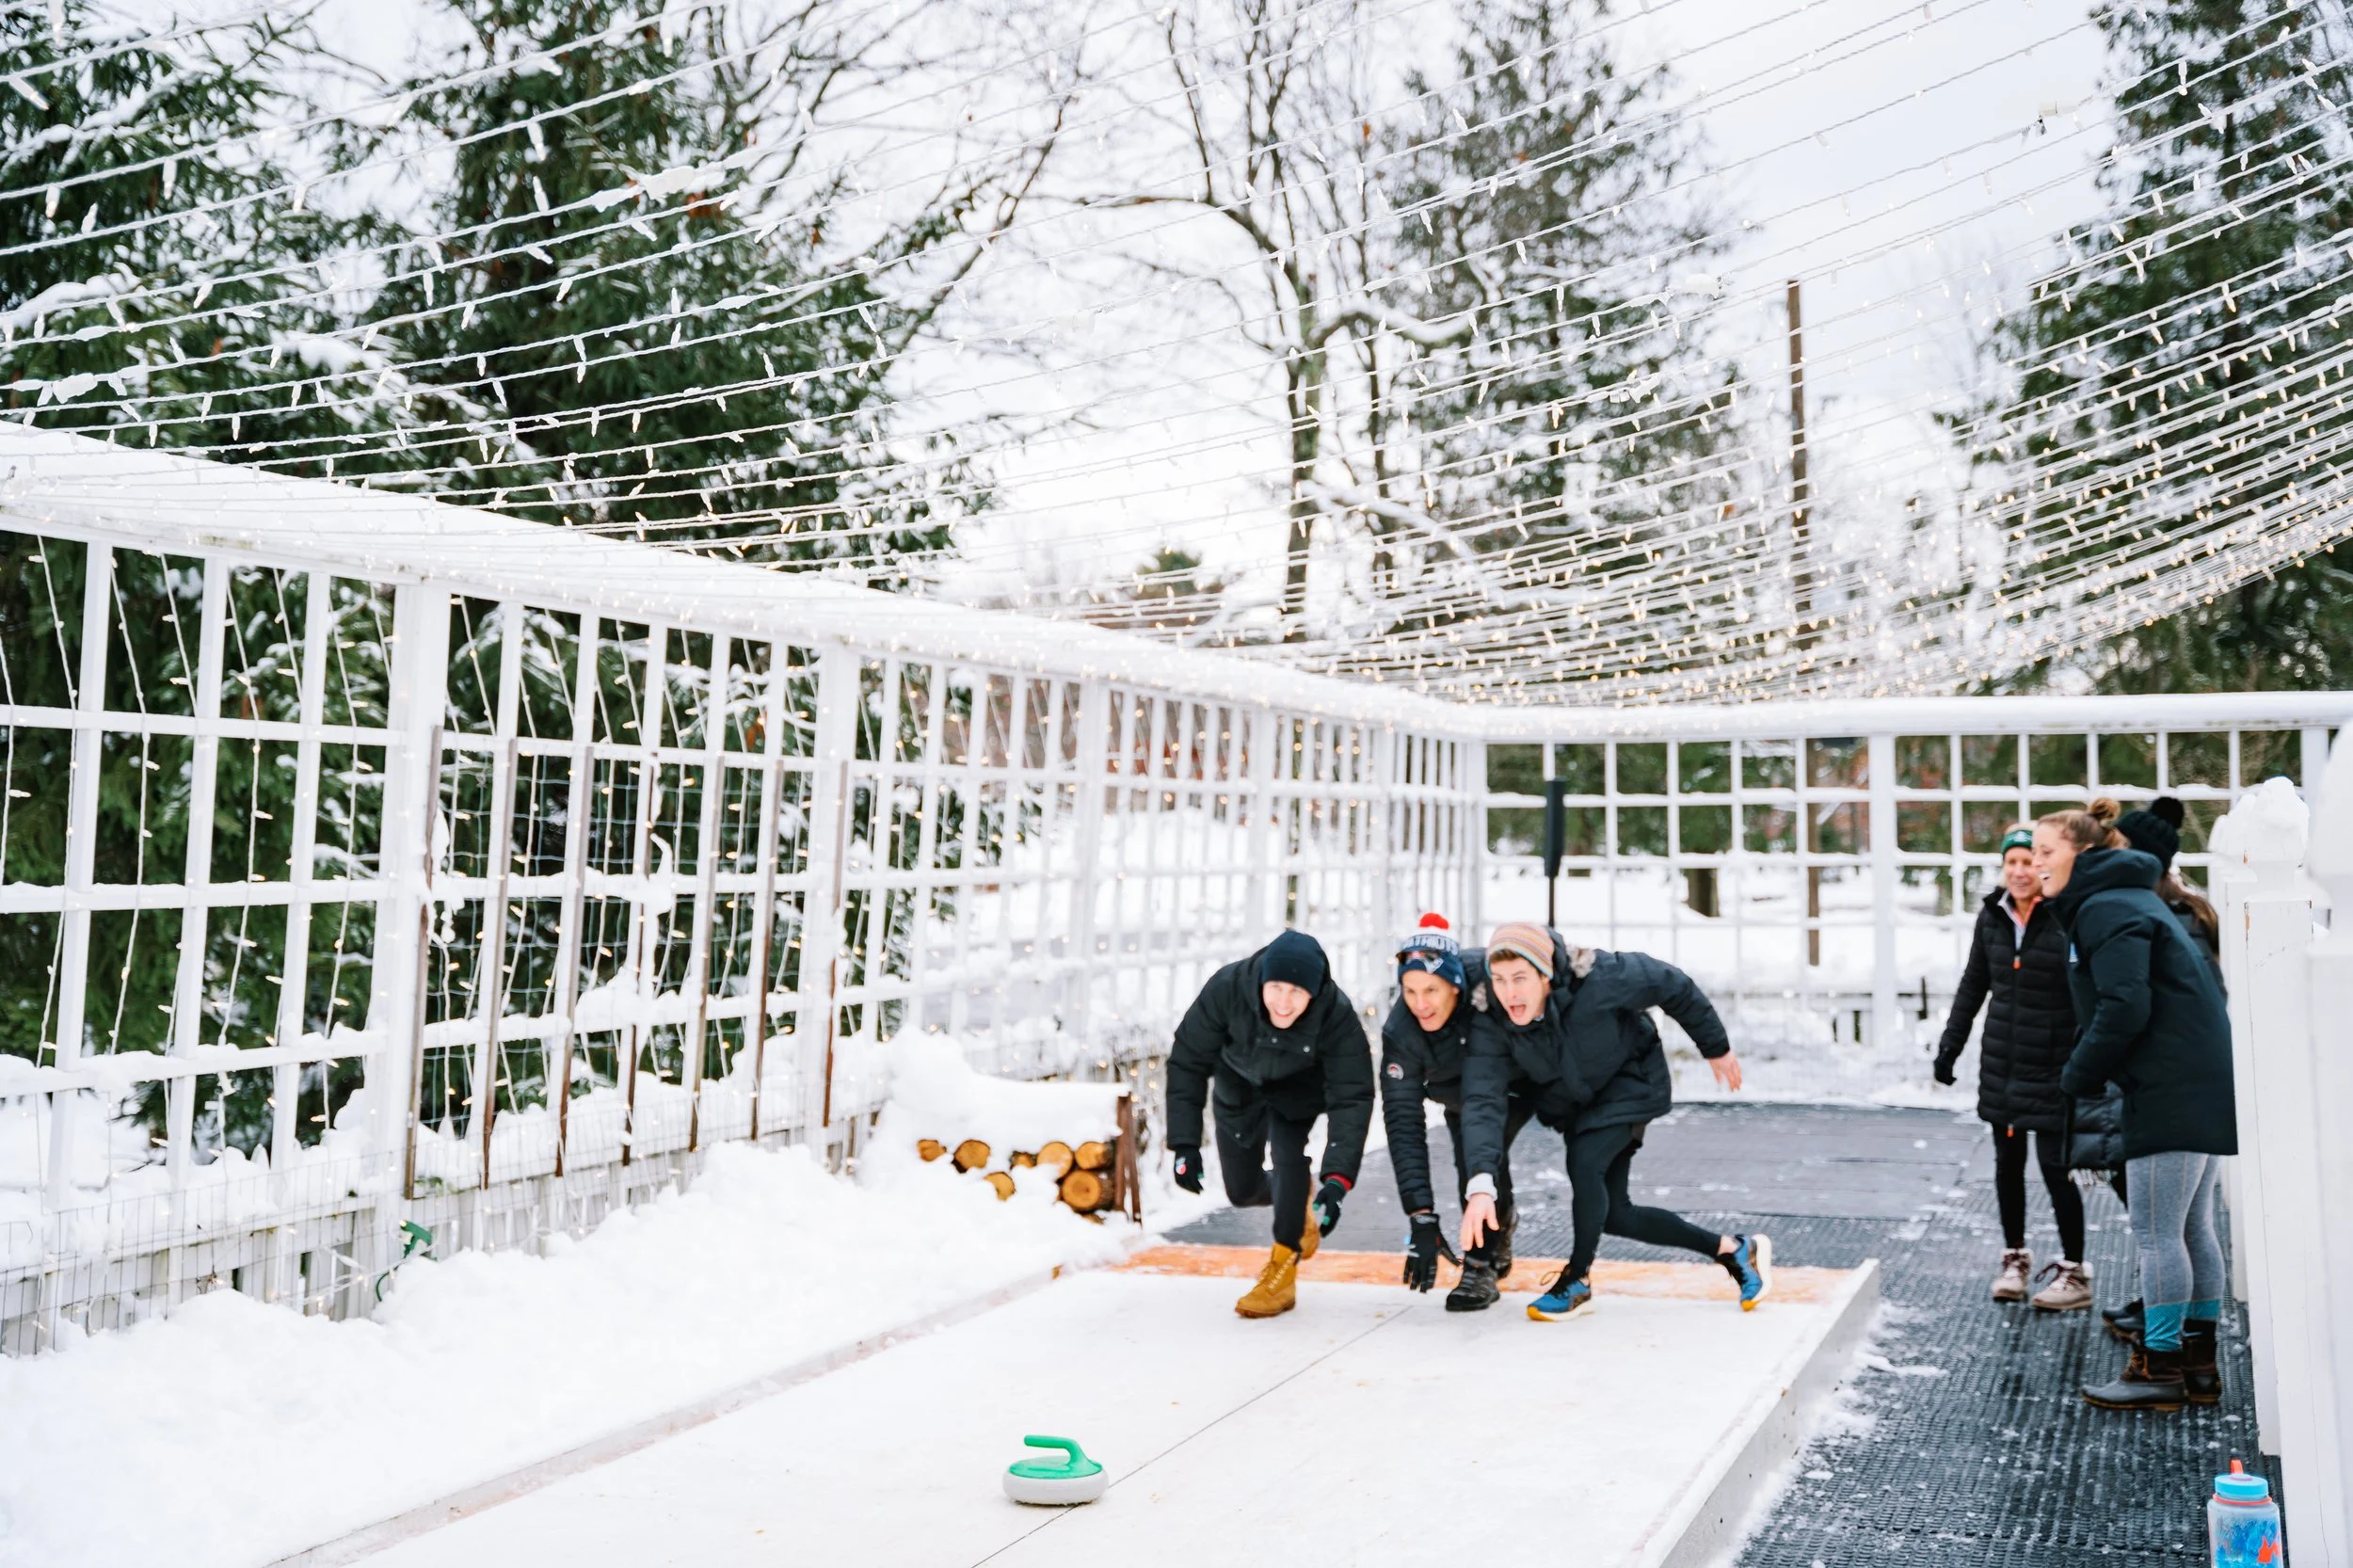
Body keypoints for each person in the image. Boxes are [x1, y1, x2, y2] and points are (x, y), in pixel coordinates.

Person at [1457, 921, 1769, 1321]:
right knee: (1615, 1214)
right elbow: (1482, 1098)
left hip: (1630, 1082)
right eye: (1499, 980)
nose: (1509, 992)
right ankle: (1733, 1250)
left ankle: (1577, 1279)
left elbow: (1671, 984)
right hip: (1578, 1104)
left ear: (1546, 974)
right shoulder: (1492, 1017)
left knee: (1585, 1164)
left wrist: (1715, 1047)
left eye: (1520, 978)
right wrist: (1481, 1180)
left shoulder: (1602, 978)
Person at [2036, 803, 2237, 1411]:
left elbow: (2124, 1006)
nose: (2037, 863)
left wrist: (2077, 1076)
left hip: (2167, 1087)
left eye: (2047, 851)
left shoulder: (2108, 906)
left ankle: (2160, 1367)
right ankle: (2198, 1366)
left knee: (2157, 1236)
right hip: (2194, 1078)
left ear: (2083, 851)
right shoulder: (2128, 897)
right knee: (2191, 1229)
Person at [1164, 929, 1374, 1320]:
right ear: (1262, 981)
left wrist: (1337, 1180)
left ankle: (1283, 1266)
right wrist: (1185, 1144)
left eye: (1297, 992)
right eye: (1276, 987)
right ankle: (1297, 1199)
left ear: (1314, 992)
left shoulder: (1336, 1014)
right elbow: (1187, 1061)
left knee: (1287, 1154)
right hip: (1238, 1084)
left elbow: (1353, 1094)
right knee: (1242, 1192)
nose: (1283, 1002)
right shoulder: (1227, 989)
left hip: (1298, 1090)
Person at [1933, 825, 2089, 1310]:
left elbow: (2087, 992)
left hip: (2054, 1066)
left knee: (2056, 1168)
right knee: (2007, 1165)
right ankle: (2015, 1258)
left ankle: (2074, 1268)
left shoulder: (2066, 916)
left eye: (2029, 862)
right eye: (2012, 863)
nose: (2020, 872)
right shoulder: (1992, 917)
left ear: (2044, 867)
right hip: (2003, 1065)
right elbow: (1973, 985)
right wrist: (1948, 1049)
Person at [1379, 913, 1532, 1311]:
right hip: (1460, 1093)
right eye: (1409, 991)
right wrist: (1421, 1214)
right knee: (1475, 1155)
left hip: (1522, 1078)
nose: (1420, 1004)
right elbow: (1403, 1123)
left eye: (1431, 989)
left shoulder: (1491, 982)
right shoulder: (1402, 1033)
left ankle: (1480, 1261)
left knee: (1479, 1158)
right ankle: (1492, 1243)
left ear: (1455, 984)